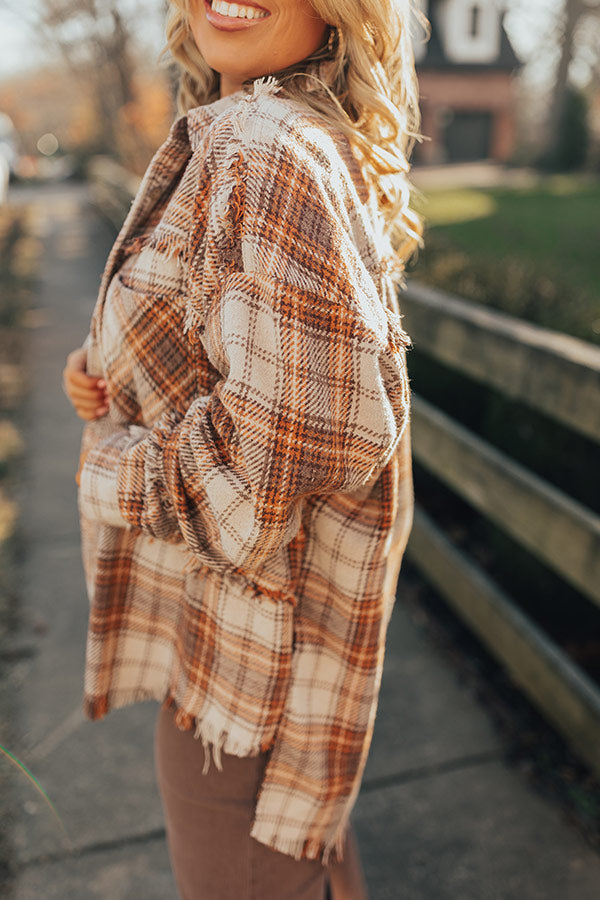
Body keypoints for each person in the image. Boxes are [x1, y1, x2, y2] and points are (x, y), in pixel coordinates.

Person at [63, 1, 422, 897]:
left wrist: (107, 468)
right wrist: (108, 361)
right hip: (256, 666)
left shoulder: (262, 148)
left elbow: (259, 476)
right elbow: (244, 355)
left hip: (247, 684)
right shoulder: (266, 133)